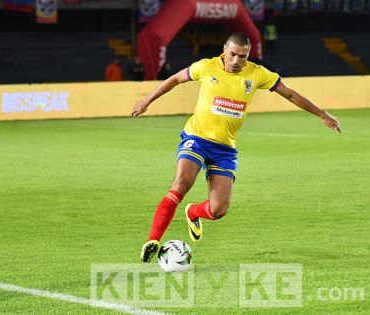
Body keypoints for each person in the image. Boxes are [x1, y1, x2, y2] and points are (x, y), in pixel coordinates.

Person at [132, 33, 341, 262]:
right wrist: (147, 100)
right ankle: (153, 239)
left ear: (248, 55)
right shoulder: (206, 67)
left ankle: (193, 212)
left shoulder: (258, 73)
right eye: (232, 54)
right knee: (181, 183)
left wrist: (323, 114)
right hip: (197, 138)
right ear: (224, 49)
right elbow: (174, 79)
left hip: (225, 150)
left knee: (218, 210)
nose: (236, 61)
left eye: (242, 56)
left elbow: (290, 93)